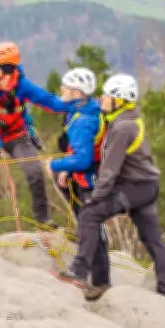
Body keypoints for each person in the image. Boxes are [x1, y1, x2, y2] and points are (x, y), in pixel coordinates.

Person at [55, 73, 165, 300]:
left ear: (119, 100)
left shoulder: (122, 128)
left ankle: (79, 272)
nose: (102, 98)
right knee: (152, 239)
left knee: (89, 214)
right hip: (146, 186)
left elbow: (109, 171)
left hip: (135, 187)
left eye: (107, 95)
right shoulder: (128, 119)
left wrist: (97, 198)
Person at [0, 41, 72, 248]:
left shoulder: (22, 86)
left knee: (35, 172)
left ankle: (43, 220)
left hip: (17, 135)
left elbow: (49, 102)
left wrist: (75, 102)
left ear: (5, 69)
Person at [47, 68, 111, 293]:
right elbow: (78, 150)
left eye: (65, 86)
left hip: (90, 179)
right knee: (89, 223)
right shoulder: (85, 109)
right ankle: (101, 281)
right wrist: (66, 169)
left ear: (76, 92)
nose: (61, 89)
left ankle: (83, 274)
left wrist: (55, 165)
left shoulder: (83, 120)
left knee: (90, 225)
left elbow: (83, 159)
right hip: (87, 176)